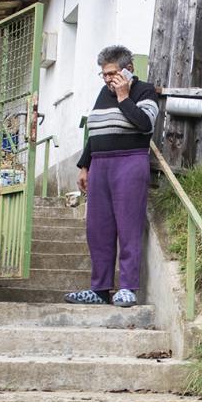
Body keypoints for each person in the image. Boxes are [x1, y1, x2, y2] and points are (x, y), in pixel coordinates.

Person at [65, 45, 160, 308]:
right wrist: (85, 166)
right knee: (98, 229)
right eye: (104, 74)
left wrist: (123, 96)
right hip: (100, 165)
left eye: (112, 73)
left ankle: (127, 288)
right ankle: (100, 289)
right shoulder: (102, 94)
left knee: (128, 227)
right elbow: (95, 131)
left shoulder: (145, 91)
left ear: (128, 69)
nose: (107, 79)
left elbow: (145, 125)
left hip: (130, 163)